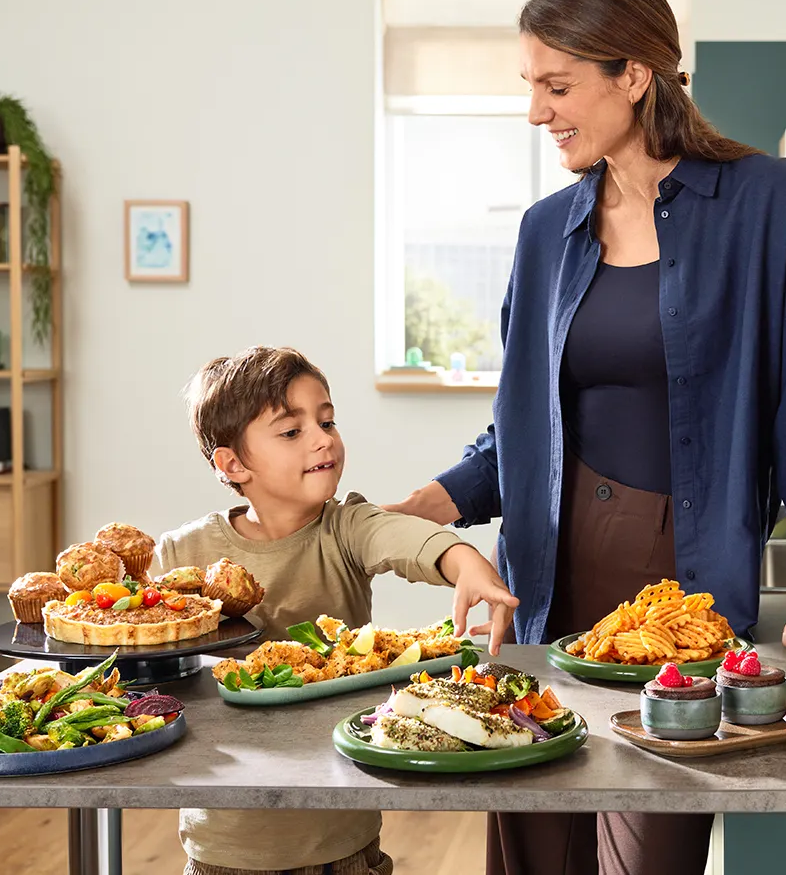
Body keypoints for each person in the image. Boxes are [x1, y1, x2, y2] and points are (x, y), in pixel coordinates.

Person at [381, 0, 786, 875]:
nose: (536, 113)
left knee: (647, 850)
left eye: (557, 87)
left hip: (685, 583)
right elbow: (519, 432)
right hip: (546, 572)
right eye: (531, 87)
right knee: (534, 841)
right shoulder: (544, 230)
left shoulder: (767, 203)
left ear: (634, 75)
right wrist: (418, 509)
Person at [159, 346, 520, 875]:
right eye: (291, 431)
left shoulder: (347, 526)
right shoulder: (182, 556)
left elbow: (407, 538)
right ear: (232, 463)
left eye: (327, 421)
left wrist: (465, 562)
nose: (322, 438)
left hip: (339, 838)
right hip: (225, 841)